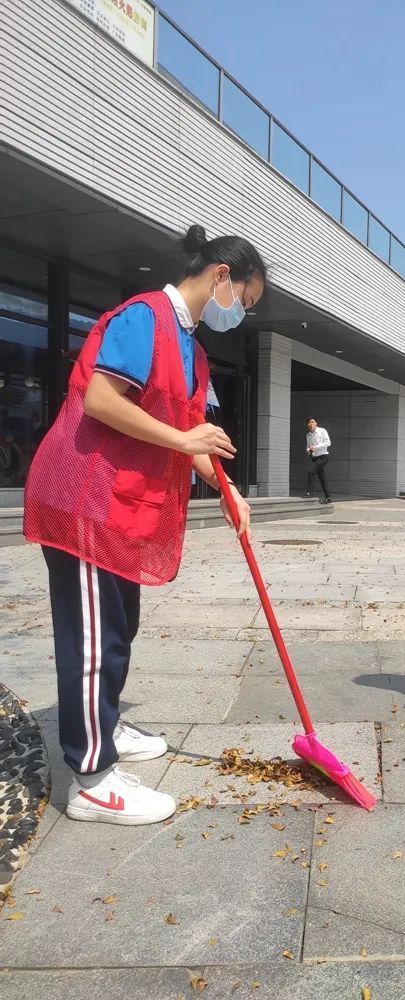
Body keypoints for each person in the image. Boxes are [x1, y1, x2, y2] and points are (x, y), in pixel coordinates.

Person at [23, 224, 266, 824]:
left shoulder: (195, 350)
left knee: (120, 624)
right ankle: (91, 778)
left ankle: (106, 723)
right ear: (220, 278)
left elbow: (189, 434)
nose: (241, 314)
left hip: (123, 507)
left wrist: (226, 486)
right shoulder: (143, 318)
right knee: (91, 635)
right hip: (84, 496)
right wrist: (186, 439)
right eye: (246, 300)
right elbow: (103, 401)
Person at [305, 416, 332, 504]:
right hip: (314, 458)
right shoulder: (308, 435)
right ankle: (328, 498)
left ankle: (310, 493)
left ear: (316, 423)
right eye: (309, 422)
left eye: (312, 422)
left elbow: (328, 443)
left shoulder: (322, 431)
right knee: (322, 479)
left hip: (323, 457)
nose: (311, 424)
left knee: (311, 471)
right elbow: (308, 447)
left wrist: (316, 447)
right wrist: (309, 450)